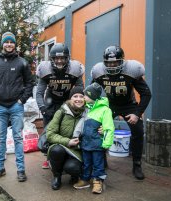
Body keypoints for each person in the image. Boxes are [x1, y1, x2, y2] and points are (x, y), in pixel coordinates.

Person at [91, 45, 152, 180]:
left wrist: (137, 113)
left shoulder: (131, 71)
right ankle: (101, 159)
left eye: (115, 62)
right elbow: (92, 93)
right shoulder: (99, 72)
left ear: (122, 61)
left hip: (128, 105)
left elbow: (146, 94)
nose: (112, 65)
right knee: (95, 128)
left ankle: (137, 164)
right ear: (104, 63)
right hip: (109, 104)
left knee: (138, 131)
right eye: (109, 63)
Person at [0, 32, 34, 182]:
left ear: (14, 44)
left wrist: (22, 100)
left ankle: (20, 170)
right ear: (3, 44)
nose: (9, 45)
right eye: (6, 42)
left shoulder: (22, 63)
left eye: (11, 42)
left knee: (18, 138)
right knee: (1, 138)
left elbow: (29, 83)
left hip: (16, 106)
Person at [36, 43, 84, 168]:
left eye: (62, 58)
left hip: (67, 101)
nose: (59, 61)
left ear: (67, 58)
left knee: (67, 129)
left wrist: (76, 104)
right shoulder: (45, 70)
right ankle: (49, 157)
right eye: (56, 58)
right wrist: (43, 108)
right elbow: (39, 92)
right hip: (50, 102)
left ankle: (67, 154)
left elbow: (80, 90)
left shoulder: (74, 69)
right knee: (49, 131)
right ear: (51, 59)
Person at [72, 82, 115, 194]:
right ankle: (85, 179)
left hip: (97, 145)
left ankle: (97, 182)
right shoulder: (87, 108)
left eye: (85, 95)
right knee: (86, 163)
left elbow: (109, 128)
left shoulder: (105, 110)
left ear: (92, 96)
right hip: (86, 144)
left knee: (98, 164)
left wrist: (106, 143)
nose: (83, 97)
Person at [46, 86, 86, 190]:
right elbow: (50, 134)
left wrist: (102, 130)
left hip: (77, 150)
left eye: (81, 96)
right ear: (70, 99)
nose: (78, 99)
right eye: (75, 96)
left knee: (72, 167)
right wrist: (68, 142)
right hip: (61, 146)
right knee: (56, 150)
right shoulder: (62, 112)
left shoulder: (88, 113)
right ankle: (57, 176)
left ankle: (74, 175)